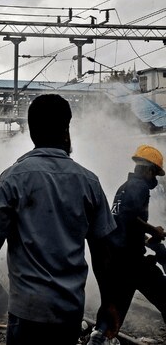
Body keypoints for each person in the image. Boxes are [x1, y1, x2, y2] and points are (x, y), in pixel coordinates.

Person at [0, 94, 118, 345]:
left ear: (31, 132)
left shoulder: (13, 178)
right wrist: (110, 303)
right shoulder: (88, 182)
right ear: (66, 130)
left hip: (27, 310)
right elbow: (103, 252)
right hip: (69, 310)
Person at [90, 145, 166, 343]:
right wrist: (154, 230)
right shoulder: (139, 186)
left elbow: (123, 225)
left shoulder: (124, 188)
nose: (155, 180)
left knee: (115, 309)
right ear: (148, 170)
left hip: (119, 260)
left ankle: (98, 338)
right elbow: (129, 217)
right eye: (156, 174)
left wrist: (148, 240)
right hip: (131, 262)